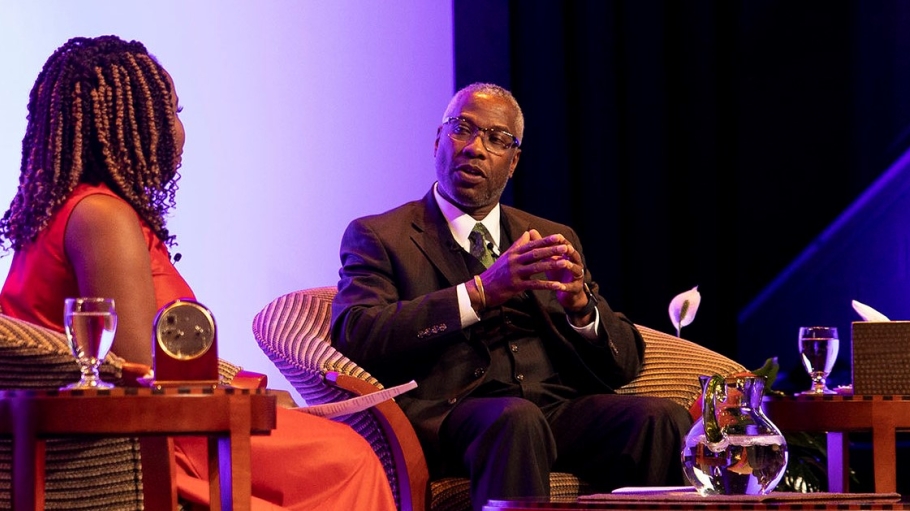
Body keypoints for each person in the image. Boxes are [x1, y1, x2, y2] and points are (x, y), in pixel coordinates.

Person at [0, 35, 396, 511]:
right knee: (349, 456)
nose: (181, 131)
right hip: (135, 448)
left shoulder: (73, 209)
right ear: (131, 124)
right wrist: (241, 401)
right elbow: (138, 372)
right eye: (172, 112)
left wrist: (248, 389)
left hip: (127, 435)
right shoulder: (102, 217)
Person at [331, 82, 693, 510]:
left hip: (554, 410)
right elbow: (356, 333)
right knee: (516, 420)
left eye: (496, 139)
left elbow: (623, 365)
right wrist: (480, 292)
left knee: (659, 418)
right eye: (461, 129)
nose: (475, 148)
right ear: (437, 141)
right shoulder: (380, 236)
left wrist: (581, 308)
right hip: (455, 414)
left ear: (513, 161)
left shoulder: (548, 237)